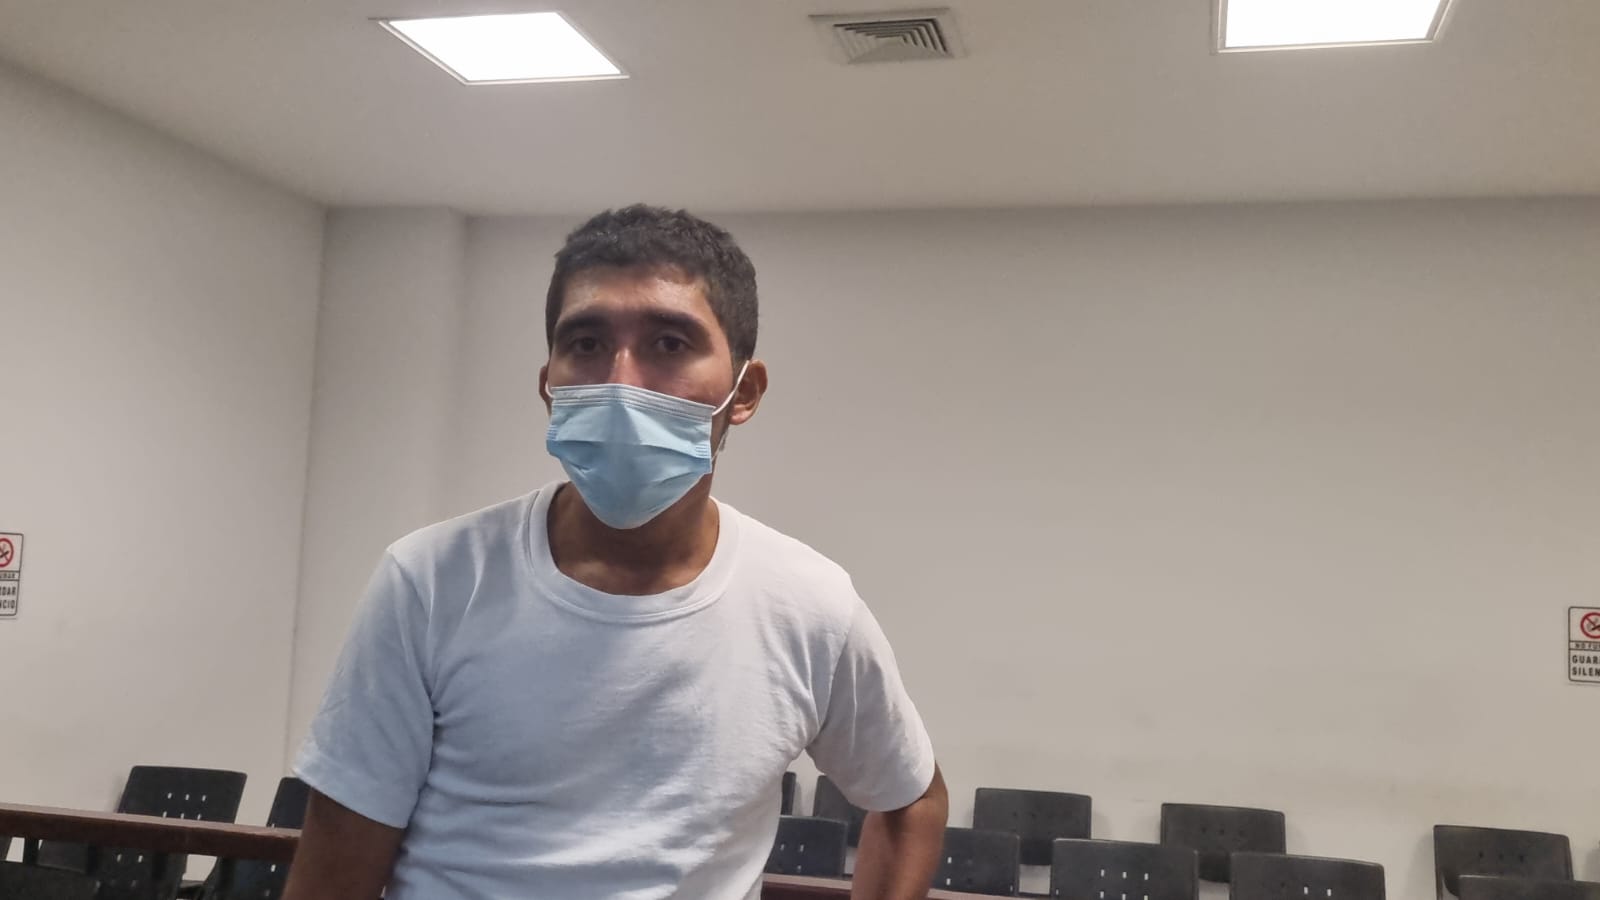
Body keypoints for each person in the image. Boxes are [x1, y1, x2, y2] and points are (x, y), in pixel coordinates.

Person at [282, 205, 948, 900]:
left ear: (743, 392)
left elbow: (911, 803)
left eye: (669, 343)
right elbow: (336, 865)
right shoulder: (432, 580)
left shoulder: (809, 605)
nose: (621, 383)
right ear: (550, 386)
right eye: (587, 343)